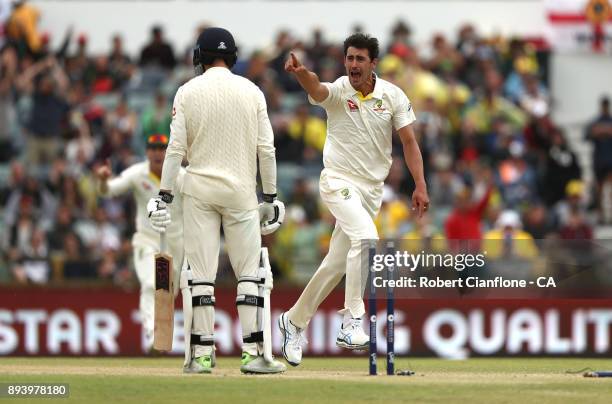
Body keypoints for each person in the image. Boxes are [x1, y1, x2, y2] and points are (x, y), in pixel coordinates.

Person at [278, 33, 429, 366]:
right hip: (337, 181)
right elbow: (317, 88)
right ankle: (351, 322)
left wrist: (419, 184)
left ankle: (293, 320)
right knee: (367, 238)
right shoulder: (338, 91)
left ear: (373, 63)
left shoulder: (392, 96)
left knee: (335, 265)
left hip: (371, 190)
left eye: (360, 59)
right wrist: (301, 72)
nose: (353, 65)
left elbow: (409, 142)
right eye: (349, 58)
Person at [146, 27, 285, 374]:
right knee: (250, 275)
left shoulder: (187, 91)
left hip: (199, 191)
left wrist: (164, 195)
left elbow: (175, 148)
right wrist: (270, 195)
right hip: (240, 192)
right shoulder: (252, 91)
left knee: (200, 276)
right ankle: (254, 354)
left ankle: (201, 356)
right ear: (233, 57)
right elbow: (266, 149)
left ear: (199, 58)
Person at [95, 134, 185, 352]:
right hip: (148, 238)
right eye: (153, 148)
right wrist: (103, 180)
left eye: (162, 148)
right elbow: (109, 191)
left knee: (168, 293)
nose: (157, 153)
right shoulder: (138, 173)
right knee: (149, 283)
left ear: (169, 152)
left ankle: (162, 336)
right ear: (147, 152)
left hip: (176, 243)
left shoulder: (181, 176)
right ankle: (151, 333)